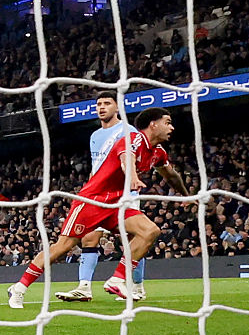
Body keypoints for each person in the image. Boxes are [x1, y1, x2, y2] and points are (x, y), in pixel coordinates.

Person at [8, 107, 177, 307]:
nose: (172, 128)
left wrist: (188, 196)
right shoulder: (133, 138)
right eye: (167, 122)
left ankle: (117, 280)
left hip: (116, 203)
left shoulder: (157, 152)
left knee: (150, 231)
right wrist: (133, 178)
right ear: (153, 124)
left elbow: (171, 175)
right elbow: (127, 159)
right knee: (63, 246)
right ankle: (19, 288)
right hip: (92, 201)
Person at [54, 92, 190, 303]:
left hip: (125, 192)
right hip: (98, 192)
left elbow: (131, 156)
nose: (101, 107)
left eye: (107, 103)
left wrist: (133, 178)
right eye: (98, 104)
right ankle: (84, 287)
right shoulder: (95, 136)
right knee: (89, 238)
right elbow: (96, 166)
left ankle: (136, 286)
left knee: (133, 237)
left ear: (117, 108)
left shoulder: (129, 130)